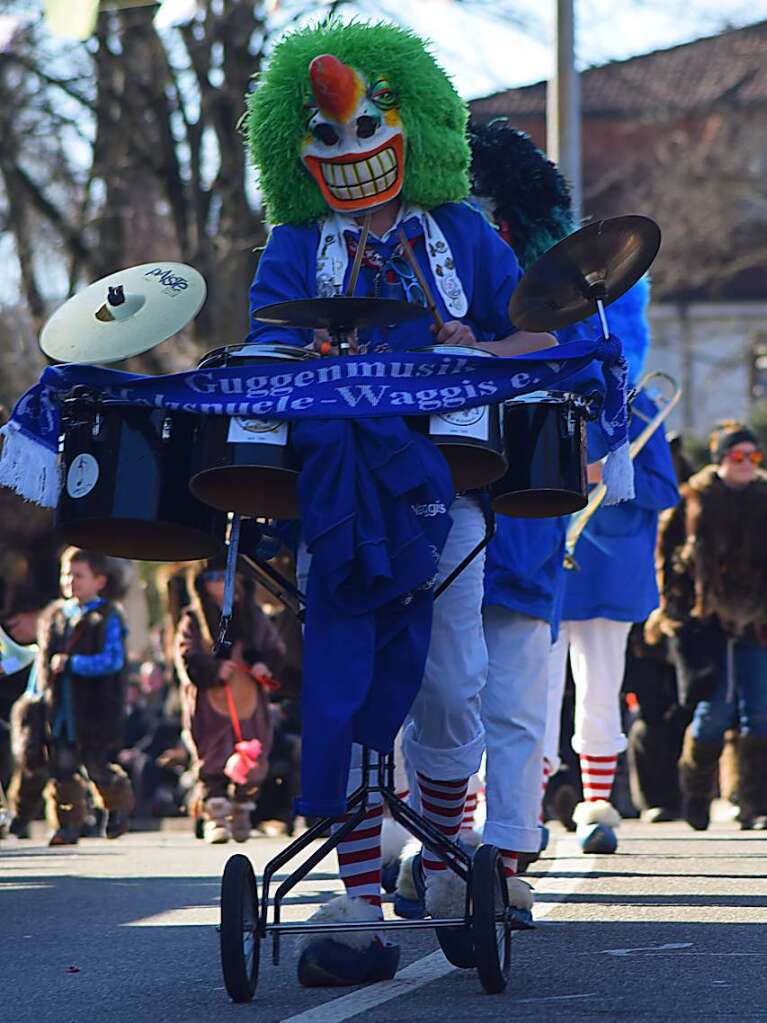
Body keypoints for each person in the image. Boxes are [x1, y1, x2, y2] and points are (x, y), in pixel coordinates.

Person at [244, 22, 560, 986]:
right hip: (335, 491)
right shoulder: (295, 244)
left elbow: (538, 343)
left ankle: (445, 859)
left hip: (448, 484)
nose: (348, 150)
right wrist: (304, 363)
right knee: (341, 678)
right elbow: (263, 352)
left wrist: (475, 348)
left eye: (368, 126)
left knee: (453, 678)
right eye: (325, 135)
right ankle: (357, 904)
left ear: (413, 124)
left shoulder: (466, 230)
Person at [546, 287, 680, 854]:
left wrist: (605, 473)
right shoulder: (544, 401)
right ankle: (521, 804)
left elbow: (664, 489)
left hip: (610, 569)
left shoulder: (639, 408)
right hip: (548, 566)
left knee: (601, 691)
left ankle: (596, 805)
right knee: (532, 694)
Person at [650, 421, 767, 830]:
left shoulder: (764, 496)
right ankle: (696, 794)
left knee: (760, 713)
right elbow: (665, 560)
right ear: (720, 459)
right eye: (739, 456)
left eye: (754, 456)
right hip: (708, 621)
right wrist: (677, 614)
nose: (747, 463)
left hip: (758, 620)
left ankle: (754, 804)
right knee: (714, 711)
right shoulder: (694, 500)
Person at [173, 555, 284, 844]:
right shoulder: (194, 618)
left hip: (248, 696)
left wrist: (263, 665)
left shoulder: (254, 616)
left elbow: (275, 648)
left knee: (253, 757)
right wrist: (212, 668)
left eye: (226, 577)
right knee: (213, 758)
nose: (220, 585)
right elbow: (186, 655)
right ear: (201, 584)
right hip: (211, 701)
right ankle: (215, 815)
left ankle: (242, 809)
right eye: (212, 579)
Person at [38, 548, 134, 845]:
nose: (70, 581)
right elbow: (43, 660)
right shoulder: (56, 616)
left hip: (95, 708)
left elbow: (113, 659)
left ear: (99, 581)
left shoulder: (108, 616)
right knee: (62, 768)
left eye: (79, 575)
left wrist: (75, 664)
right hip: (62, 708)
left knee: (96, 766)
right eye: (66, 575)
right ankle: (68, 825)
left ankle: (117, 807)